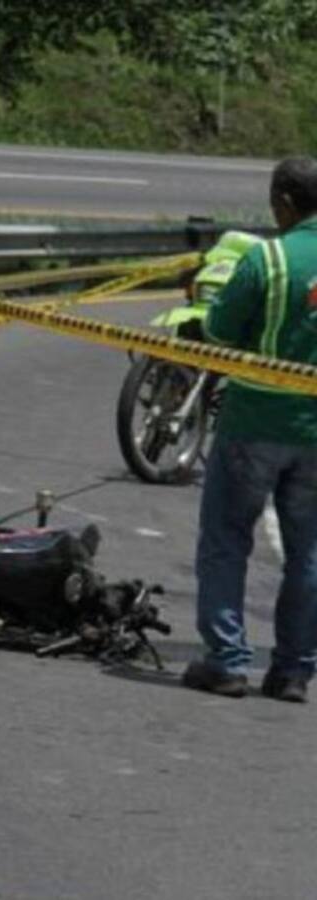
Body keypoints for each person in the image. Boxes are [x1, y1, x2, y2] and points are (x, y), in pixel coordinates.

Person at [182, 156, 317, 703]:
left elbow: (218, 328)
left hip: (255, 421)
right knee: (308, 553)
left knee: (225, 539)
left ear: (284, 202)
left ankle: (228, 660)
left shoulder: (270, 258)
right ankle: (293, 671)